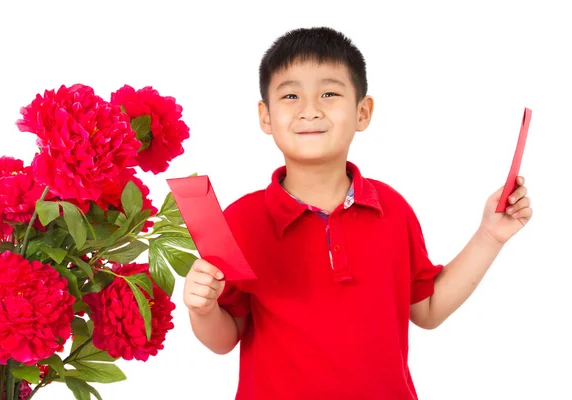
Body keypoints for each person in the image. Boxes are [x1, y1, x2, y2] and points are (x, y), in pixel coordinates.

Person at [182, 26, 533, 399]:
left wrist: (489, 236)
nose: (310, 110)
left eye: (329, 93)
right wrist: (202, 309)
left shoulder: (393, 210)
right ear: (266, 117)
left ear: (362, 112)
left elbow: (427, 309)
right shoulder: (241, 220)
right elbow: (225, 337)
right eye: (290, 96)